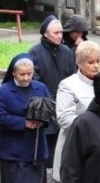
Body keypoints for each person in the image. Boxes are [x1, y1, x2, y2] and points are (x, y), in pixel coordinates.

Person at [0, 54, 51, 183]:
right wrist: (23, 123)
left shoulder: (40, 88)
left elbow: (49, 109)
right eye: (22, 74)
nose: (26, 78)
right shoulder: (4, 91)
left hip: (35, 144)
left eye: (29, 74)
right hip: (14, 145)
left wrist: (44, 121)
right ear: (14, 74)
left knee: (32, 182)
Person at [54, 41, 100, 183]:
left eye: (98, 61)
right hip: (76, 146)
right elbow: (64, 118)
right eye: (91, 62)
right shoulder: (68, 85)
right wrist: (93, 127)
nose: (96, 66)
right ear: (80, 63)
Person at [29, 15, 76, 162]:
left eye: (61, 32)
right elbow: (35, 81)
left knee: (64, 148)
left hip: (65, 103)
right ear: (45, 33)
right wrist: (52, 102)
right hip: (45, 106)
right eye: (56, 33)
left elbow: (72, 76)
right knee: (47, 151)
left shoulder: (66, 51)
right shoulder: (35, 52)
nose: (60, 36)